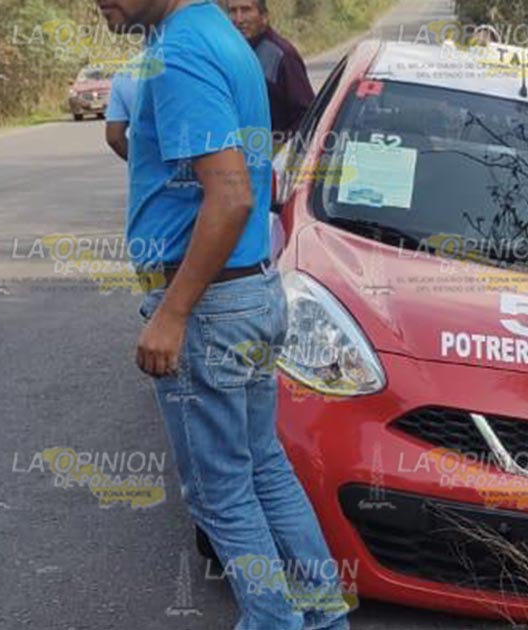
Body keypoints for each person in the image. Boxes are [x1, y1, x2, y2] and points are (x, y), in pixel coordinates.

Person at [93, 0, 348, 628]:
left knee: (220, 491)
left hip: (210, 304)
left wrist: (174, 312)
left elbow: (231, 194)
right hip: (248, 291)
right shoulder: (214, 33)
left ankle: (274, 620)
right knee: (262, 465)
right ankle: (321, 616)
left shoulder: (180, 53)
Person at [227, 0, 315, 140]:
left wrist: (276, 144)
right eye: (233, 11)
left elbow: (307, 116)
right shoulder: (228, 53)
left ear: (264, 16)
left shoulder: (282, 56)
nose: (239, 19)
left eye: (246, 10)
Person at [103, 53, 142, 161]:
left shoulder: (125, 72)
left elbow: (114, 137)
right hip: (189, 170)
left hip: (150, 173)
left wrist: (141, 164)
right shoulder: (189, 61)